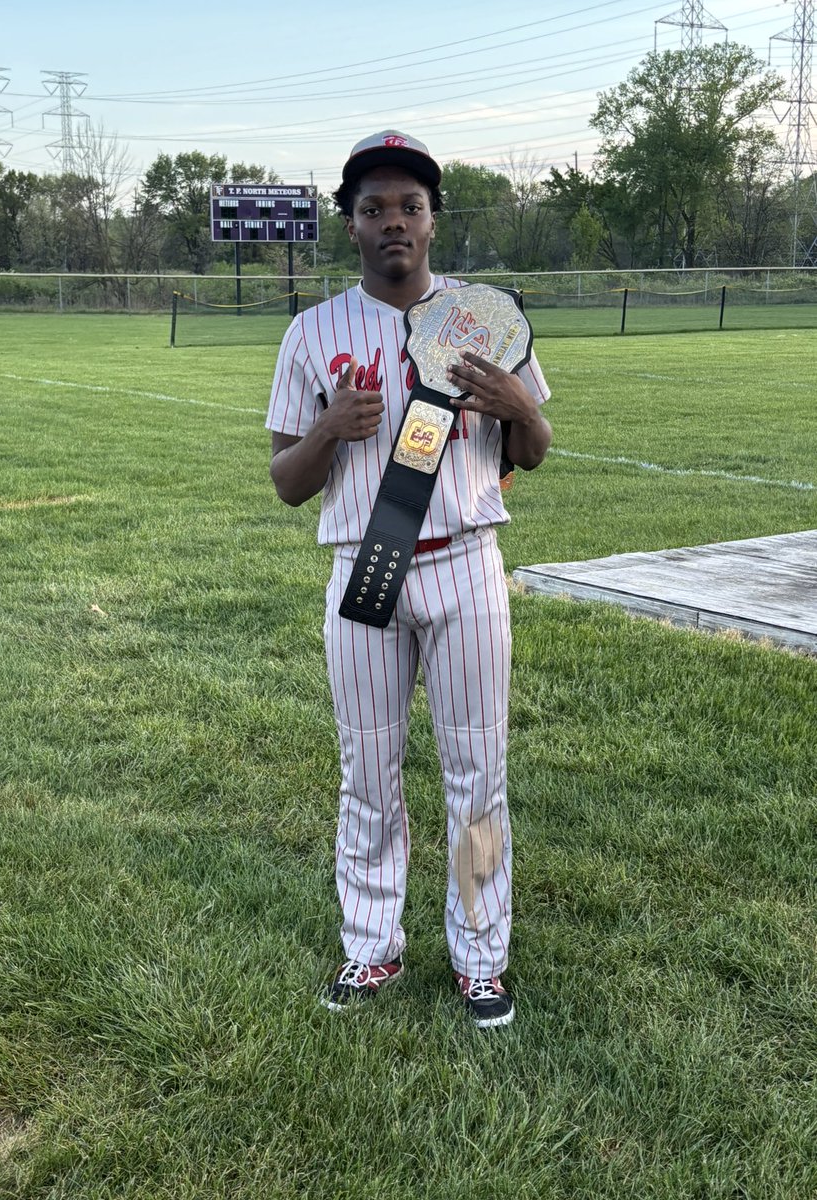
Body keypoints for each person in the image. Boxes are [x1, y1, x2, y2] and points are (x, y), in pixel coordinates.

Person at [266, 131, 552, 1029]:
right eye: (373, 208)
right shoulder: (312, 333)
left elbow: (535, 453)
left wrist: (518, 408)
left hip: (465, 568)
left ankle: (481, 957)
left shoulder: (486, 317)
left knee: (478, 776)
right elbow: (285, 480)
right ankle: (371, 948)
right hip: (364, 575)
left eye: (410, 206)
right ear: (350, 227)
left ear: (433, 222)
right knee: (368, 773)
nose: (394, 220)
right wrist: (327, 432)